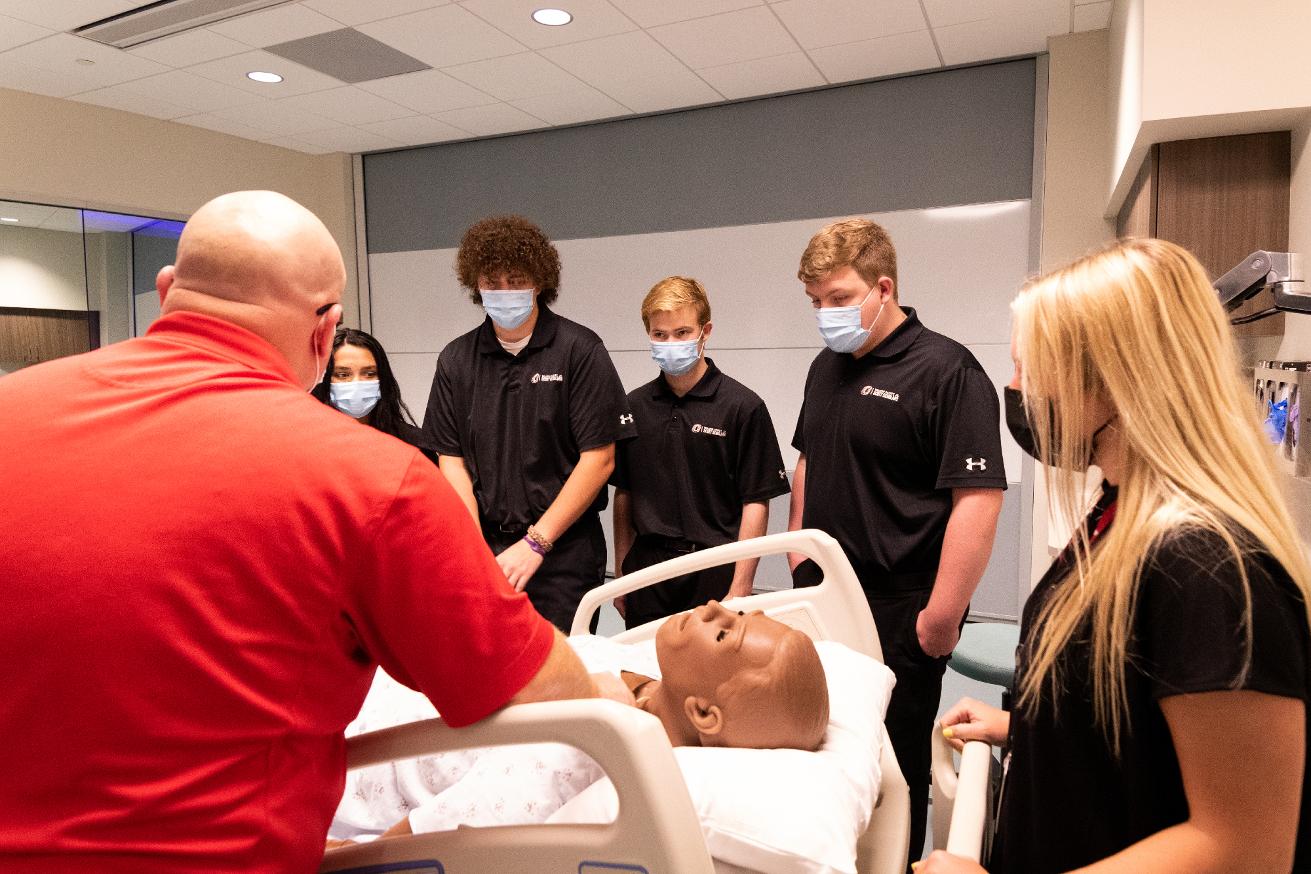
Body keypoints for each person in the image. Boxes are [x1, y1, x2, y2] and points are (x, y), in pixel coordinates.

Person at [0, 191, 616, 874]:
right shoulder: (370, 480)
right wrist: (619, 693)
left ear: (169, 290)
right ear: (326, 331)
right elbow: (544, 694)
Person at [920, 239, 1311, 874]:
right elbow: (1133, 710)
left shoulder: (1208, 570)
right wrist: (1028, 728)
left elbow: (1242, 847)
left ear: (1113, 379)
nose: (1015, 390)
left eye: (1027, 369)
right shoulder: (1120, 508)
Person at [788, 218, 1006, 866]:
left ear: (883, 288)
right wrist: (798, 552)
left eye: (838, 298)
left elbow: (977, 498)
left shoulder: (947, 370)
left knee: (895, 768)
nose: (825, 314)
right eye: (815, 301)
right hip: (824, 595)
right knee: (825, 751)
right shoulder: (825, 367)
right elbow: (807, 461)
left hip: (902, 604)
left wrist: (940, 617)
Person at [331, 601, 830, 842]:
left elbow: (426, 836)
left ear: (702, 713)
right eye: (739, 612)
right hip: (378, 672)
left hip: (354, 740)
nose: (715, 607)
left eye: (724, 636)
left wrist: (329, 855)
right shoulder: (642, 675)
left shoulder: (585, 750)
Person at [422, 215, 635, 631]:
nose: (504, 292)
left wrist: (536, 543)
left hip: (564, 553)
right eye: (492, 282)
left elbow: (599, 459)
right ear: (475, 284)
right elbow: (452, 461)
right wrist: (474, 548)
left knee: (560, 667)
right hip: (486, 547)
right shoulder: (456, 360)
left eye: (516, 281)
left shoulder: (579, 350)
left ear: (539, 282)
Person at [612, 276, 790, 629]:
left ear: (705, 331)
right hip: (648, 572)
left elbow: (756, 501)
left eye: (682, 332)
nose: (671, 343)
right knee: (643, 663)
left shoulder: (743, 407)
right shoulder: (633, 407)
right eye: (660, 334)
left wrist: (741, 585)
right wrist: (620, 573)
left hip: (714, 570)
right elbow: (624, 493)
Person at [312, 327, 436, 464]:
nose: (357, 383)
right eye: (343, 375)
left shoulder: (413, 445)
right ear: (325, 380)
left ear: (383, 379)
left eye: (369, 374)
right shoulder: (309, 444)